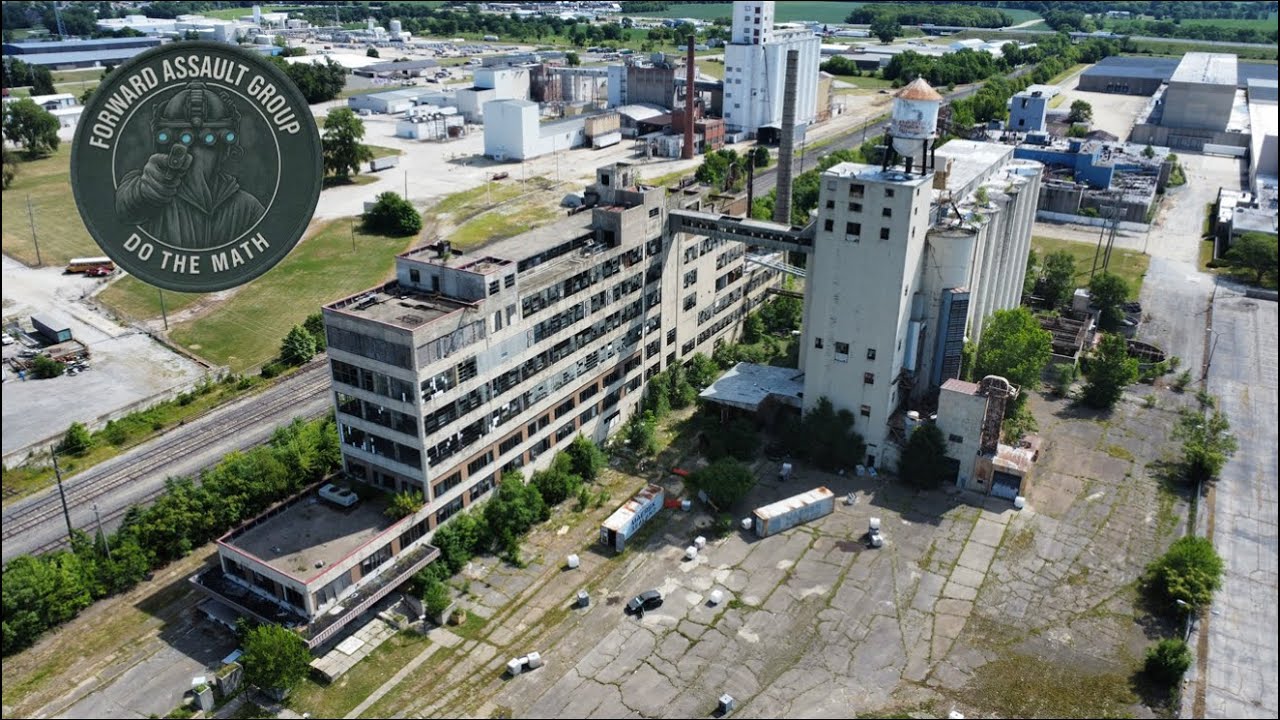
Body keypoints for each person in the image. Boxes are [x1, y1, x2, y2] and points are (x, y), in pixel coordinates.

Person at [116, 81, 266, 250]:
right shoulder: (150, 194)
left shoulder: (246, 208)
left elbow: (267, 239)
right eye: (186, 143)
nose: (197, 156)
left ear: (226, 149)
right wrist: (146, 192)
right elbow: (124, 207)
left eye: (208, 145)